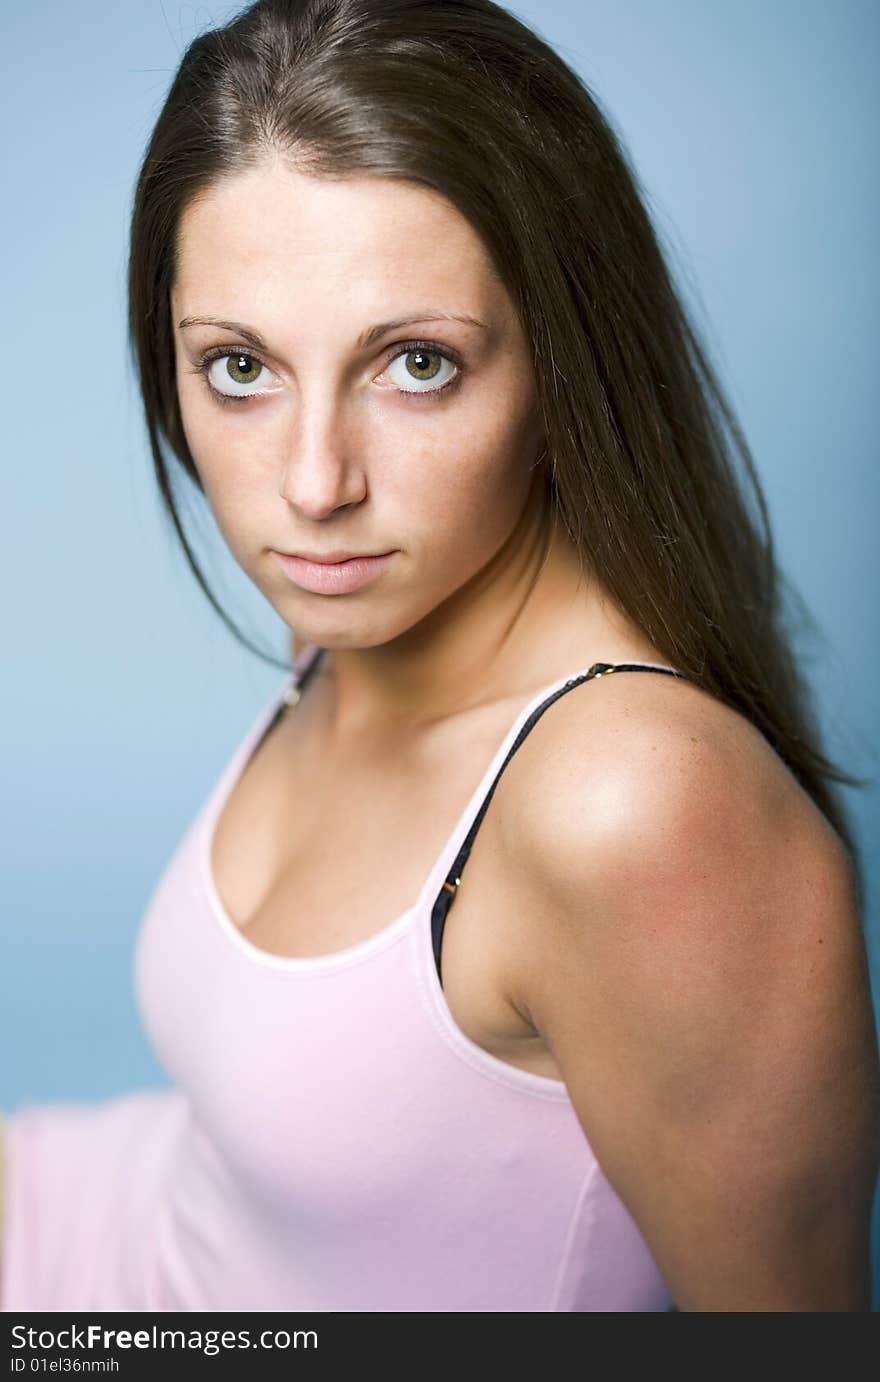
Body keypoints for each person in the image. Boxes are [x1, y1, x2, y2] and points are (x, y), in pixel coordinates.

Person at [2, 0, 878, 1313]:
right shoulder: (371, 592)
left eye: (417, 364)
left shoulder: (640, 807)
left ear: (563, 358)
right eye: (239, 367)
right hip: (77, 1223)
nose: (313, 483)